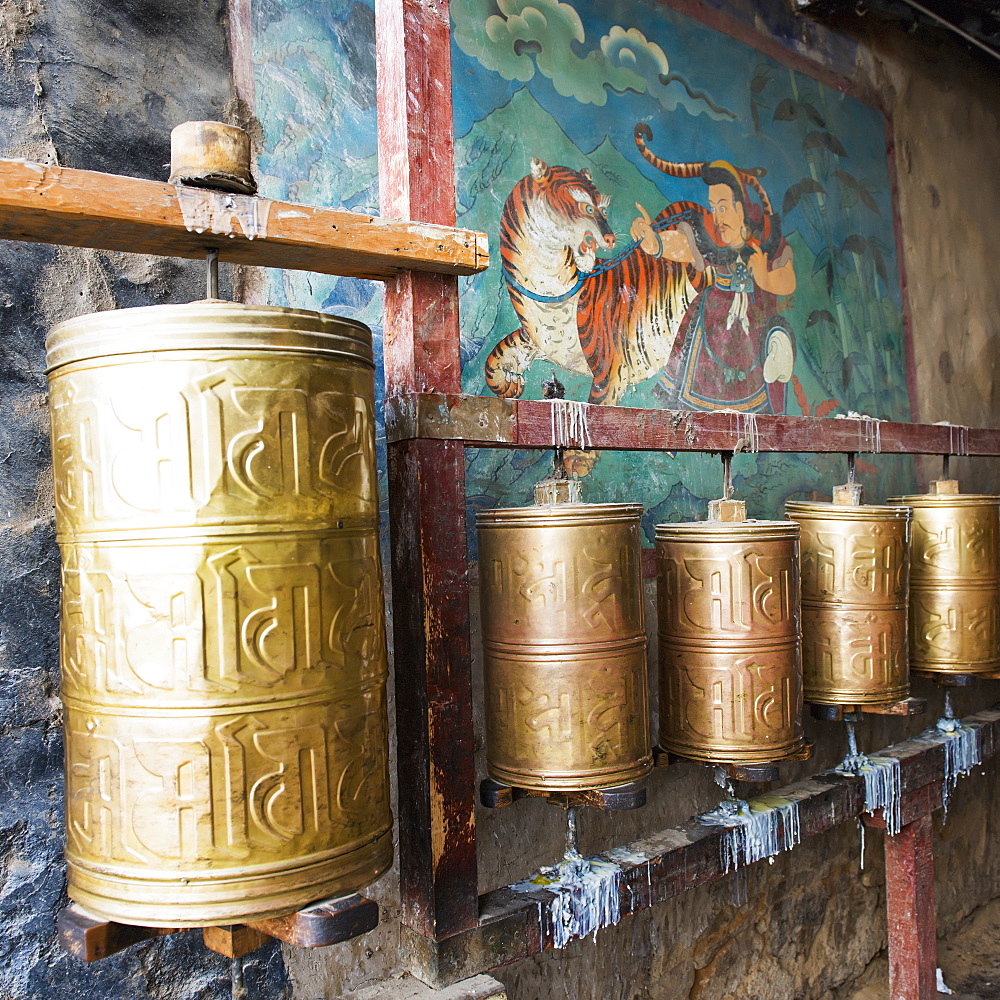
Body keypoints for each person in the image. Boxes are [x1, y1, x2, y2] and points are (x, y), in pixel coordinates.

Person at [631, 160, 796, 413]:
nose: (717, 217)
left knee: (780, 340)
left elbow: (787, 281)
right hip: (711, 328)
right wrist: (653, 241)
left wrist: (765, 278)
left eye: (723, 207)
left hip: (753, 336)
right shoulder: (713, 239)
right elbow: (682, 247)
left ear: (740, 207)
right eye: (713, 209)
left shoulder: (766, 241)